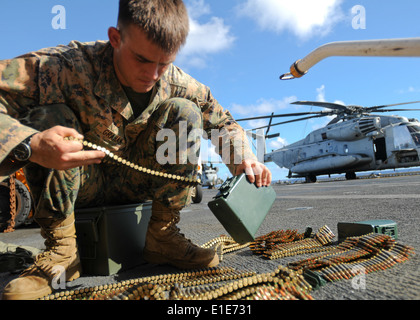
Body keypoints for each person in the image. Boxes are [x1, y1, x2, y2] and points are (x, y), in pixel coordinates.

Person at [0, 0, 271, 300]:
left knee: (186, 112)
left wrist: (243, 159)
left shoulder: (178, 83)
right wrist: (29, 145)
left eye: (163, 63)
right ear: (115, 38)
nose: (153, 74)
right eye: (142, 59)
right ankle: (62, 253)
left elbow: (222, 123)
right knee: (49, 117)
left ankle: (163, 237)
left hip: (139, 185)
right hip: (80, 186)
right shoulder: (64, 67)